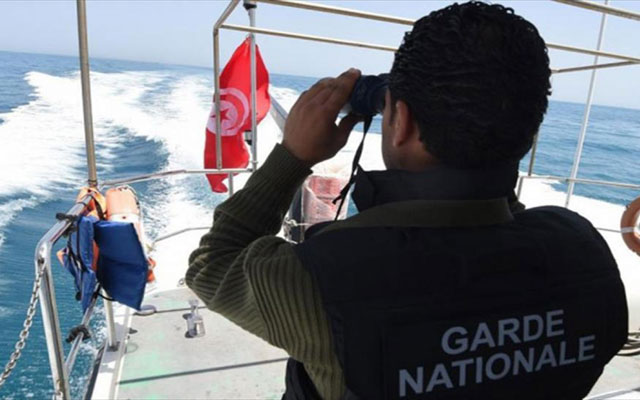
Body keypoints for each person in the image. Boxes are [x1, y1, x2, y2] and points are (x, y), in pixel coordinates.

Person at [186, 2, 628, 399]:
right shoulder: (583, 251)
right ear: (529, 131)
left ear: (400, 122)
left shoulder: (319, 279)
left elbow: (213, 264)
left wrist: (293, 155)